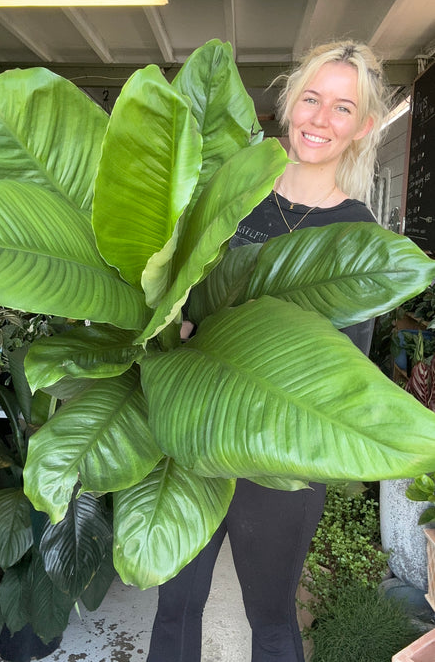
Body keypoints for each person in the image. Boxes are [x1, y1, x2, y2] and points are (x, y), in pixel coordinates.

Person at [146, 40, 390, 662]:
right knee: (175, 607)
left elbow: (345, 367)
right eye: (312, 99)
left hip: (278, 460)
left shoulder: (357, 232)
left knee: (273, 620)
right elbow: (173, 284)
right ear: (288, 104)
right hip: (193, 434)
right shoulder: (233, 188)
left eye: (342, 108)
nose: (320, 119)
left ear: (362, 127)